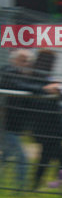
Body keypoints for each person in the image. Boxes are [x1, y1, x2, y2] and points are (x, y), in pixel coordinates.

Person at [28, 50, 62, 189]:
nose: (53, 64)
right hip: (44, 124)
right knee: (60, 158)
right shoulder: (35, 75)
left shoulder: (48, 77)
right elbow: (32, 89)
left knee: (47, 157)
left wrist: (58, 87)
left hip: (51, 124)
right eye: (51, 61)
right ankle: (59, 184)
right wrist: (47, 89)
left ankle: (36, 185)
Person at [0, 50, 34, 188]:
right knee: (21, 157)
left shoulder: (22, 76)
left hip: (12, 126)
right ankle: (20, 189)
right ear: (13, 60)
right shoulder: (8, 72)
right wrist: (43, 89)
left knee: (5, 157)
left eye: (27, 61)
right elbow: (19, 86)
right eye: (22, 60)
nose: (25, 64)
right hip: (4, 125)